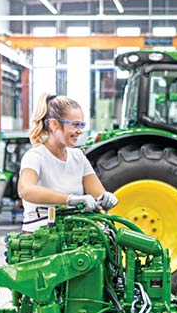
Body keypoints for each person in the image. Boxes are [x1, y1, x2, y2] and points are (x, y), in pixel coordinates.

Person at [18, 93, 118, 232]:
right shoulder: (35, 156)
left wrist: (106, 198)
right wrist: (69, 199)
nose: (79, 131)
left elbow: (98, 194)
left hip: (74, 233)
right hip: (39, 234)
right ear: (54, 124)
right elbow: (26, 190)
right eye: (75, 125)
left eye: (81, 125)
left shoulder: (78, 157)